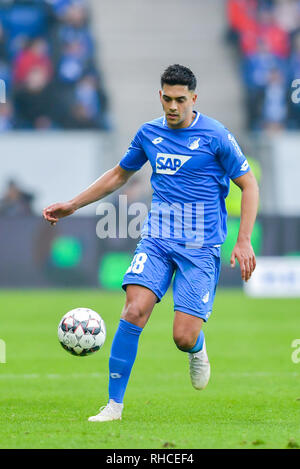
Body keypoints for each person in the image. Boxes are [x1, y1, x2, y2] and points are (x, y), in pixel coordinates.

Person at [43, 64, 259, 422]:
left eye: (180, 100)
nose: (173, 107)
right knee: (134, 310)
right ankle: (114, 406)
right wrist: (72, 204)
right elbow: (118, 175)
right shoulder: (149, 134)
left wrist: (244, 240)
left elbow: (249, 185)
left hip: (200, 247)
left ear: (194, 98)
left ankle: (197, 347)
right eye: (167, 99)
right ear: (160, 96)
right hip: (157, 239)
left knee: (183, 337)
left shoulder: (216, 135)